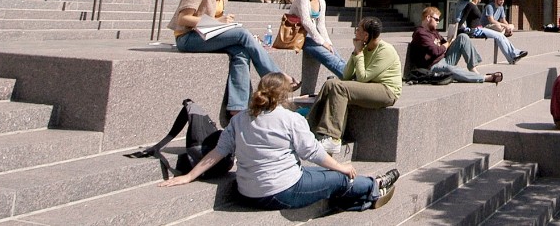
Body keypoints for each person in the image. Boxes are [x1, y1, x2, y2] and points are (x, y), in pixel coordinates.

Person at [159, 72, 400, 212]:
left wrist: (189, 176)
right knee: (338, 177)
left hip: (247, 193)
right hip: (282, 192)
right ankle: (374, 186)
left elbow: (219, 151)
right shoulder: (290, 119)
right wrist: (342, 166)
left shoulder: (241, 119)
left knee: (316, 175)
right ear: (284, 95)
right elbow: (313, 152)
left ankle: (359, 202)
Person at [170, 0, 280, 117]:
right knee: (242, 34)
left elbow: (212, 20)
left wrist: (218, 22)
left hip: (206, 35)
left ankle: (237, 108)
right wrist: (218, 21)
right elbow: (183, 18)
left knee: (241, 52)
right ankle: (276, 78)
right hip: (187, 38)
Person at [305, 17, 402, 155]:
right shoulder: (364, 47)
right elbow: (346, 75)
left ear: (366, 35)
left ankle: (333, 139)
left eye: (358, 29)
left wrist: (358, 52)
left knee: (340, 88)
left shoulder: (385, 50)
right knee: (330, 83)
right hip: (369, 86)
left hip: (386, 91)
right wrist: (355, 52)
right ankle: (310, 127)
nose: (355, 32)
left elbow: (362, 78)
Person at [408, 6, 502, 84]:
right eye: (436, 19)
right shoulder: (420, 33)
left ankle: (473, 68)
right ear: (428, 18)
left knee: (463, 37)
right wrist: (445, 45)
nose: (438, 22)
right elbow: (435, 50)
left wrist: (446, 43)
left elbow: (441, 46)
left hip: (444, 58)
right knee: (450, 69)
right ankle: (486, 78)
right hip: (433, 66)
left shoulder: (433, 32)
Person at [290, 0, 345, 79]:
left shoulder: (321, 1)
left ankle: (352, 74)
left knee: (334, 53)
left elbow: (321, 25)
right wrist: (321, 42)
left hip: (310, 36)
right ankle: (350, 77)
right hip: (297, 36)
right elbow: (306, 22)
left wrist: (328, 43)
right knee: (329, 58)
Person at [461, 0, 527, 63]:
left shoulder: (473, 6)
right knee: (499, 35)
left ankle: (512, 57)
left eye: (503, 0)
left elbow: (503, 20)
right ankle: (513, 54)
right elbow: (462, 19)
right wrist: (461, 31)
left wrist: (508, 27)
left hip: (480, 29)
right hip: (480, 29)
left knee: (502, 34)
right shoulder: (473, 5)